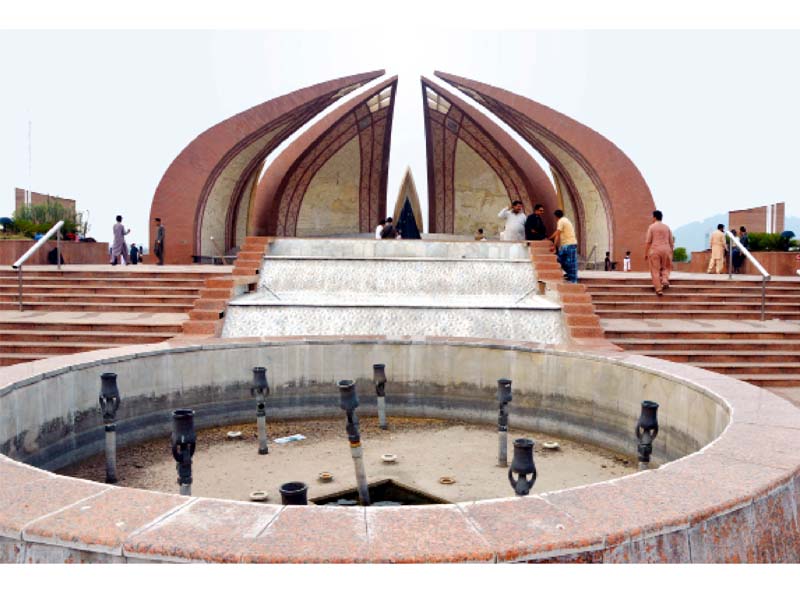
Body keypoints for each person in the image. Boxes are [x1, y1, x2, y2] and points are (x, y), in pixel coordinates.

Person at [644, 209, 675, 296]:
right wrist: (671, 251)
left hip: (655, 250)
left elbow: (648, 242)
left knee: (655, 270)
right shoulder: (667, 227)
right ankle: (665, 279)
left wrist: (646, 253)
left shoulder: (651, 227)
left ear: (654, 217)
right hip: (666, 249)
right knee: (666, 267)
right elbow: (671, 242)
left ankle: (658, 289)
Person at [548, 209, 578, 283]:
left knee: (571, 262)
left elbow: (557, 235)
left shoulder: (561, 221)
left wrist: (554, 246)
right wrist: (549, 238)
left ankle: (573, 280)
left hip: (569, 244)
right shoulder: (565, 220)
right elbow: (557, 232)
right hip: (567, 244)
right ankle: (570, 275)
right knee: (560, 259)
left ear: (556, 216)